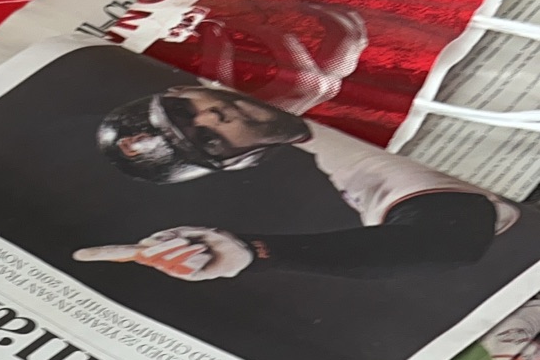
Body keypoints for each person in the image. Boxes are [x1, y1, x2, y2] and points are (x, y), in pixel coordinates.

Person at [76, 84, 519, 282]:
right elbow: (439, 241)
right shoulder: (358, 167)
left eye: (185, 111)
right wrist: (259, 252)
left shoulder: (243, 51)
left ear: (182, 88)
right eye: (209, 140)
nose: (211, 116)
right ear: (238, 162)